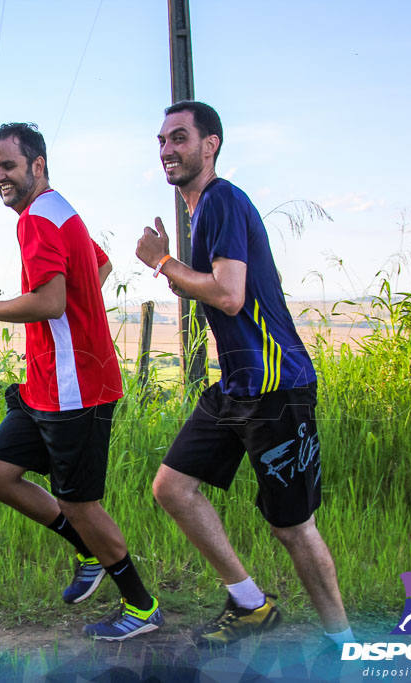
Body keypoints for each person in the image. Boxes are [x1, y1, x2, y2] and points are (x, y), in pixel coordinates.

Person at [135, 101, 353, 648]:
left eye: (179, 138)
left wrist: (164, 264)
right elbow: (216, 286)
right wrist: (175, 268)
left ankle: (343, 645)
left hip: (276, 386)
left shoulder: (221, 199)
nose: (167, 149)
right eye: (162, 140)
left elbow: (229, 296)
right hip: (236, 384)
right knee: (173, 488)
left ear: (210, 145)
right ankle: (251, 604)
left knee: (291, 526)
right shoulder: (202, 210)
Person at [0, 122, 162, 641]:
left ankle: (141, 605)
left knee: (81, 501)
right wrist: (75, 318)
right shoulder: (61, 209)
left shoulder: (38, 219)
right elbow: (98, 268)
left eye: (8, 165)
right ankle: (85, 548)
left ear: (37, 166)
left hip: (73, 389)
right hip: (44, 383)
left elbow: (51, 301)